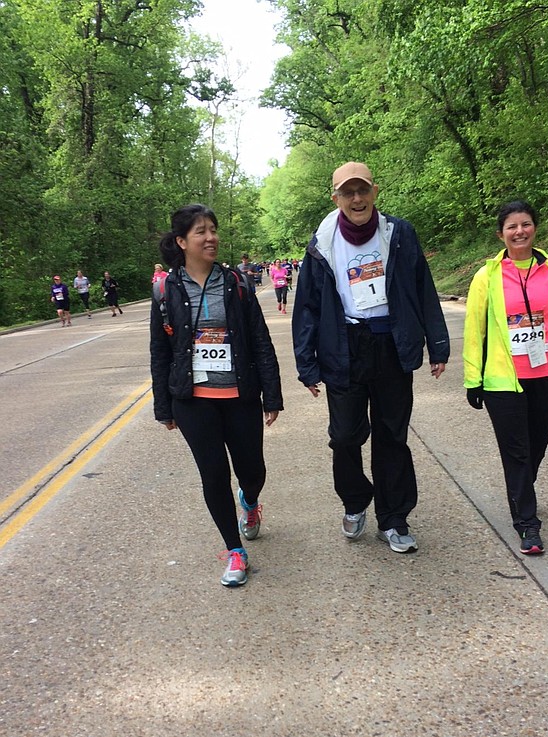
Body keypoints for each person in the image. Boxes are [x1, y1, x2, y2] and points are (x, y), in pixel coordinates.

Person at [292, 161, 450, 553]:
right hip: (343, 347)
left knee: (392, 436)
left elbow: (422, 289)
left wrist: (437, 343)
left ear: (374, 192)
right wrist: (306, 363)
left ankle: (394, 518)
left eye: (362, 190)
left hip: (391, 345)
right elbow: (307, 306)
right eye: (348, 192)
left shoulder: (399, 234)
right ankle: (355, 499)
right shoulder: (321, 242)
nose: (357, 199)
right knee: (344, 436)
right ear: (336, 198)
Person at [150, 204, 283, 587]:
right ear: (181, 241)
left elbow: (259, 340)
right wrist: (164, 406)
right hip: (192, 400)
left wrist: (271, 395)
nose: (211, 238)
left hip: (239, 394)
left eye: (213, 230)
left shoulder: (237, 282)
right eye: (200, 232)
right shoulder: (166, 288)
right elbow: (160, 350)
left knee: (252, 469)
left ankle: (251, 501)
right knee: (213, 475)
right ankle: (235, 551)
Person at [463, 199, 548, 556]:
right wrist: (472, 378)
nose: (519, 231)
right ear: (501, 234)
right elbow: (475, 330)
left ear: (534, 228)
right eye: (512, 227)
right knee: (517, 451)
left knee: (536, 443)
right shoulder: (486, 277)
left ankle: (522, 490)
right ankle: (527, 523)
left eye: (525, 224)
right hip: (503, 380)